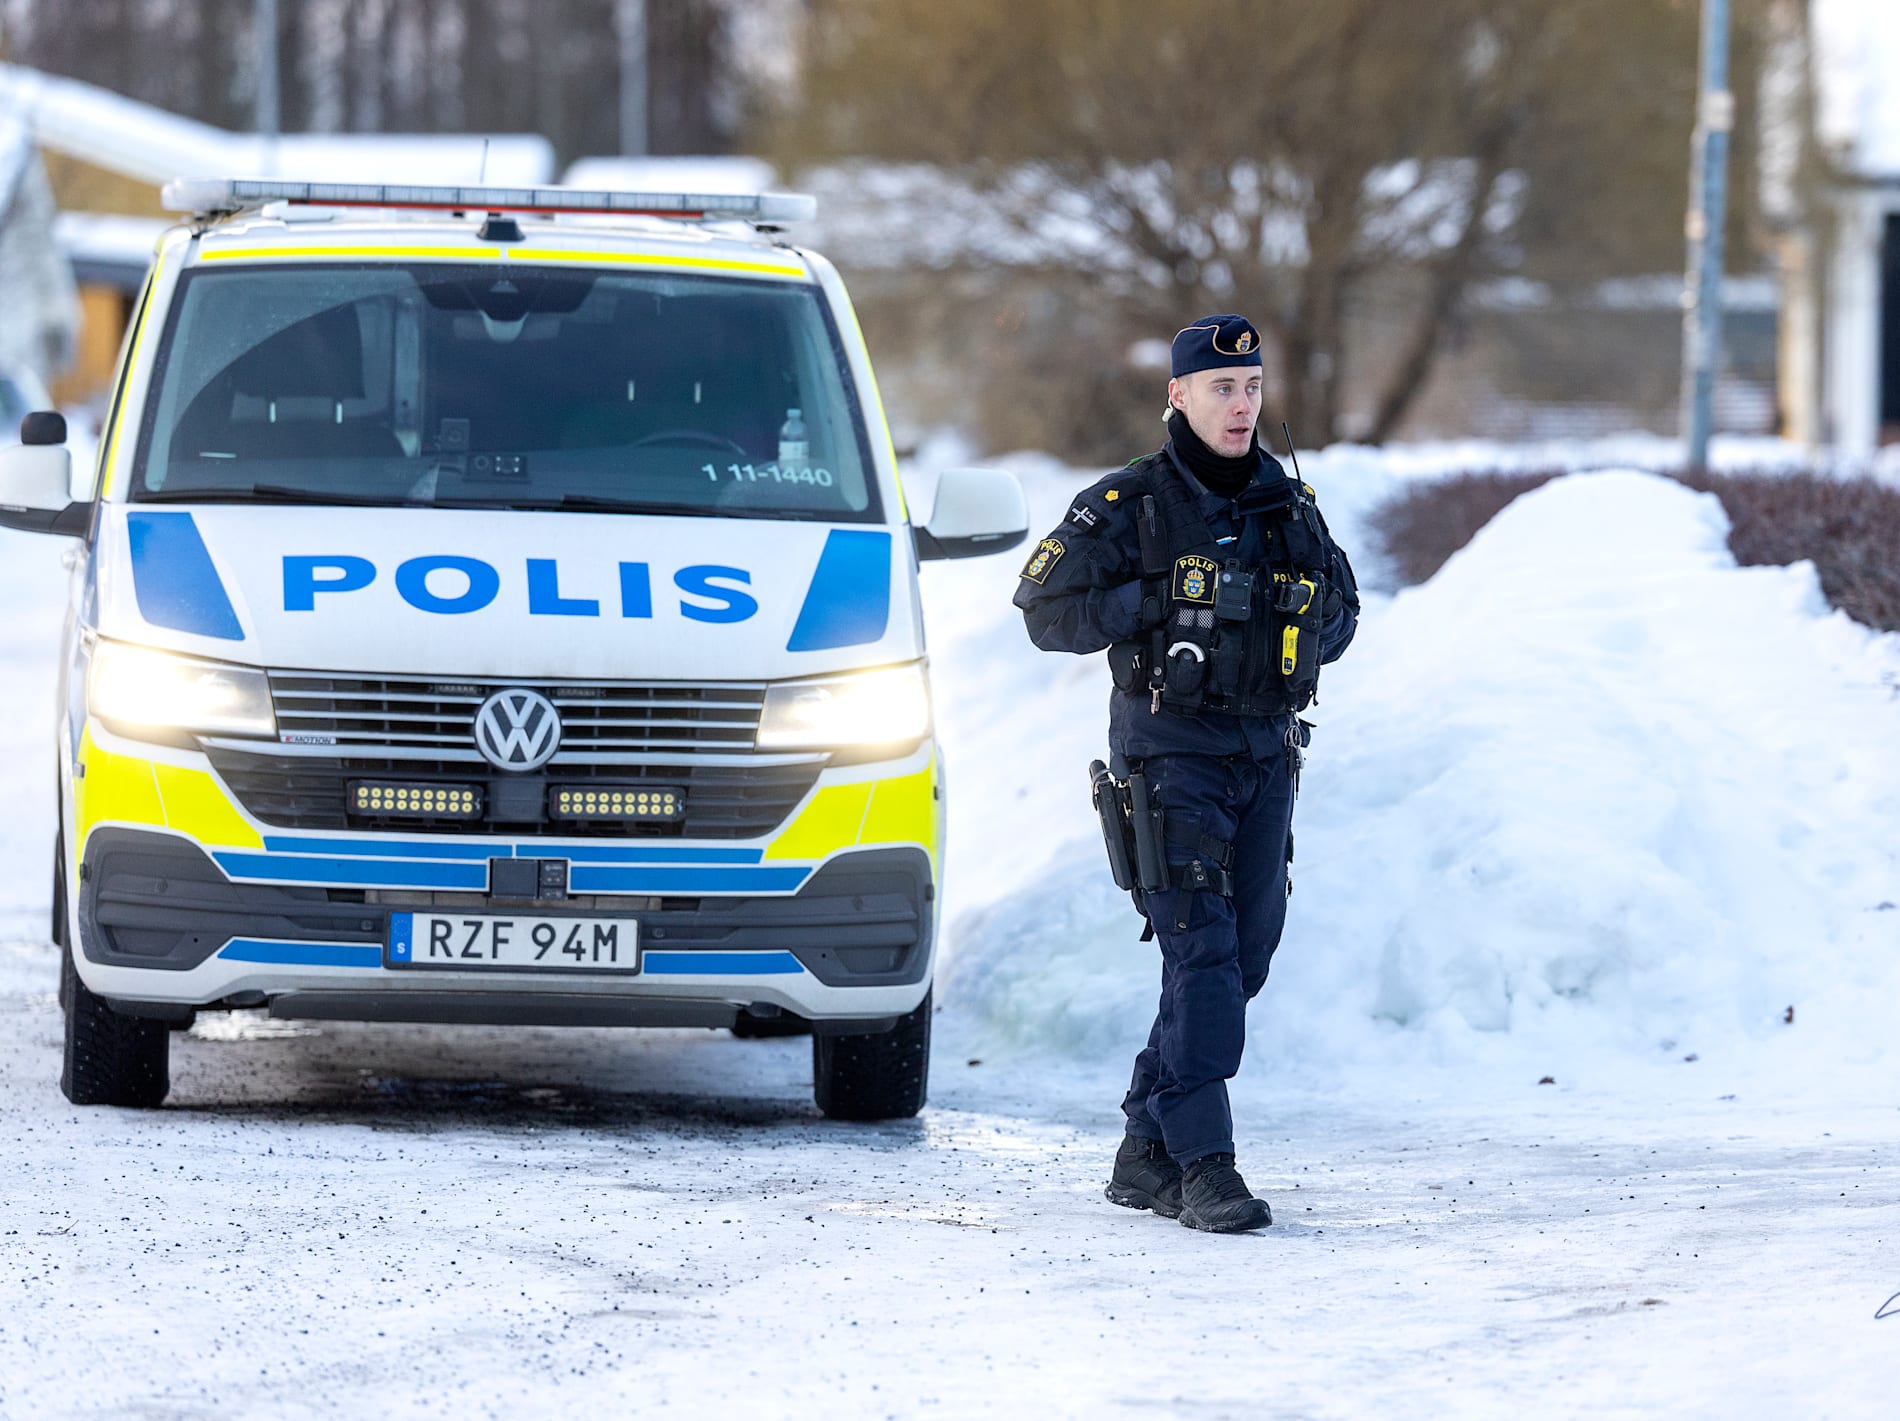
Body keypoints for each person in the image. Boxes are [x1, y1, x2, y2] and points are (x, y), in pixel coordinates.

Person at [1012, 314, 1359, 1233]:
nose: (1240, 406)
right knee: (1199, 953)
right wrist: (1157, 602)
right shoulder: (1132, 505)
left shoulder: (1288, 503)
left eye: (1250, 389)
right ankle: (1205, 1164)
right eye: (1220, 389)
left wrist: (1298, 619)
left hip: (1264, 758)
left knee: (1242, 958)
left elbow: (1346, 612)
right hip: (1168, 760)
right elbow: (1044, 611)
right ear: (1179, 395)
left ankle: (1144, 1143)